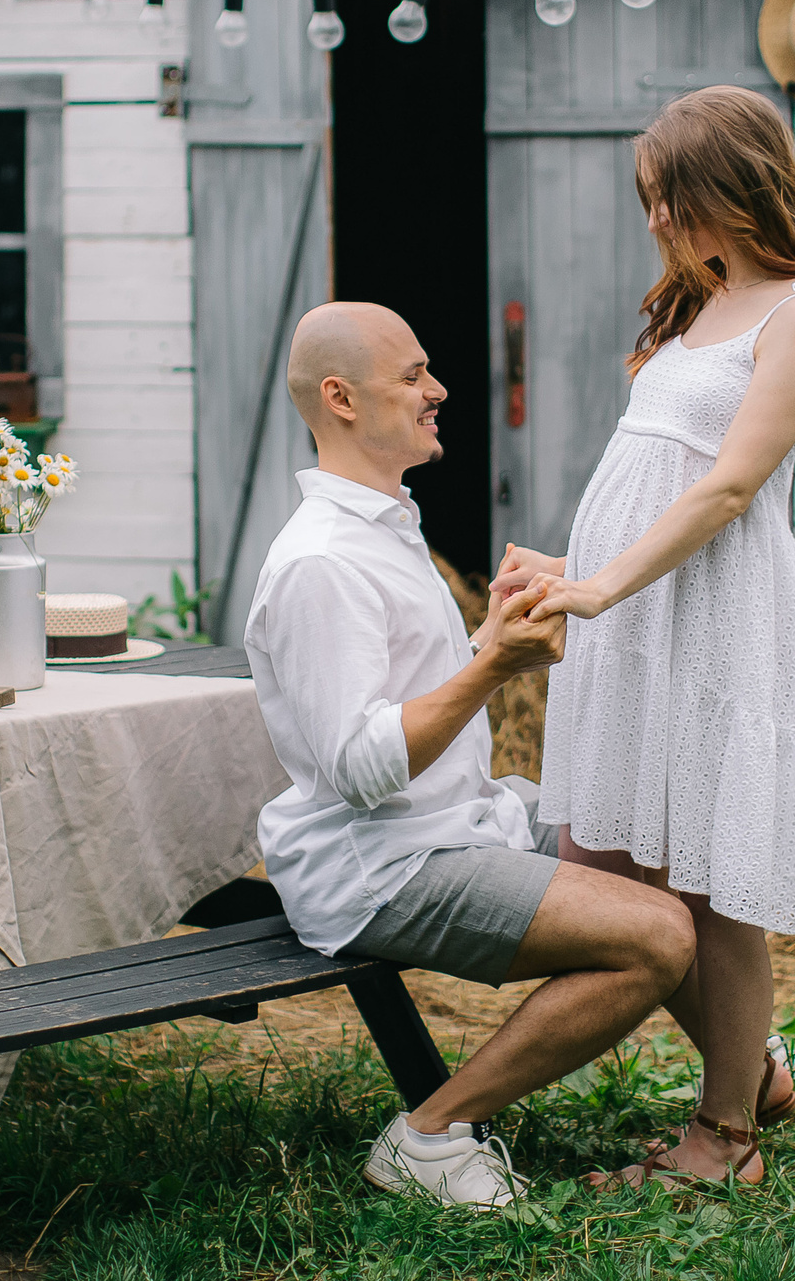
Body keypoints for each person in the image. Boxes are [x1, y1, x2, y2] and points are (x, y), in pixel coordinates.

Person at [495, 84, 795, 1191]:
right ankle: (751, 1073)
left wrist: (604, 584)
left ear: (731, 186)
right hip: (636, 616)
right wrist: (579, 569)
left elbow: (727, 488)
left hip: (711, 621)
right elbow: (654, 469)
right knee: (606, 865)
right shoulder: (696, 306)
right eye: (650, 200)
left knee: (707, 885)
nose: (655, 220)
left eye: (668, 197)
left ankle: (728, 1140)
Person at [247, 301, 697, 1210]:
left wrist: (492, 630)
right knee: (659, 937)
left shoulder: (383, 525)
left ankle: (744, 1071)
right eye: (411, 375)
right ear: (340, 397)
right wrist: (494, 662)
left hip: (455, 817)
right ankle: (431, 1132)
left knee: (639, 818)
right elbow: (359, 768)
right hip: (380, 864)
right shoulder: (321, 563)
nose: (437, 388)